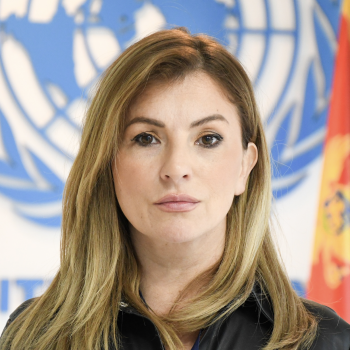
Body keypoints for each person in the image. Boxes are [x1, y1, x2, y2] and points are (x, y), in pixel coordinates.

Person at [1, 27, 349, 350]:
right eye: (146, 138)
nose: (176, 169)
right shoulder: (35, 336)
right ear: (107, 162)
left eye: (208, 139)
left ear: (246, 165)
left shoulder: (324, 342)